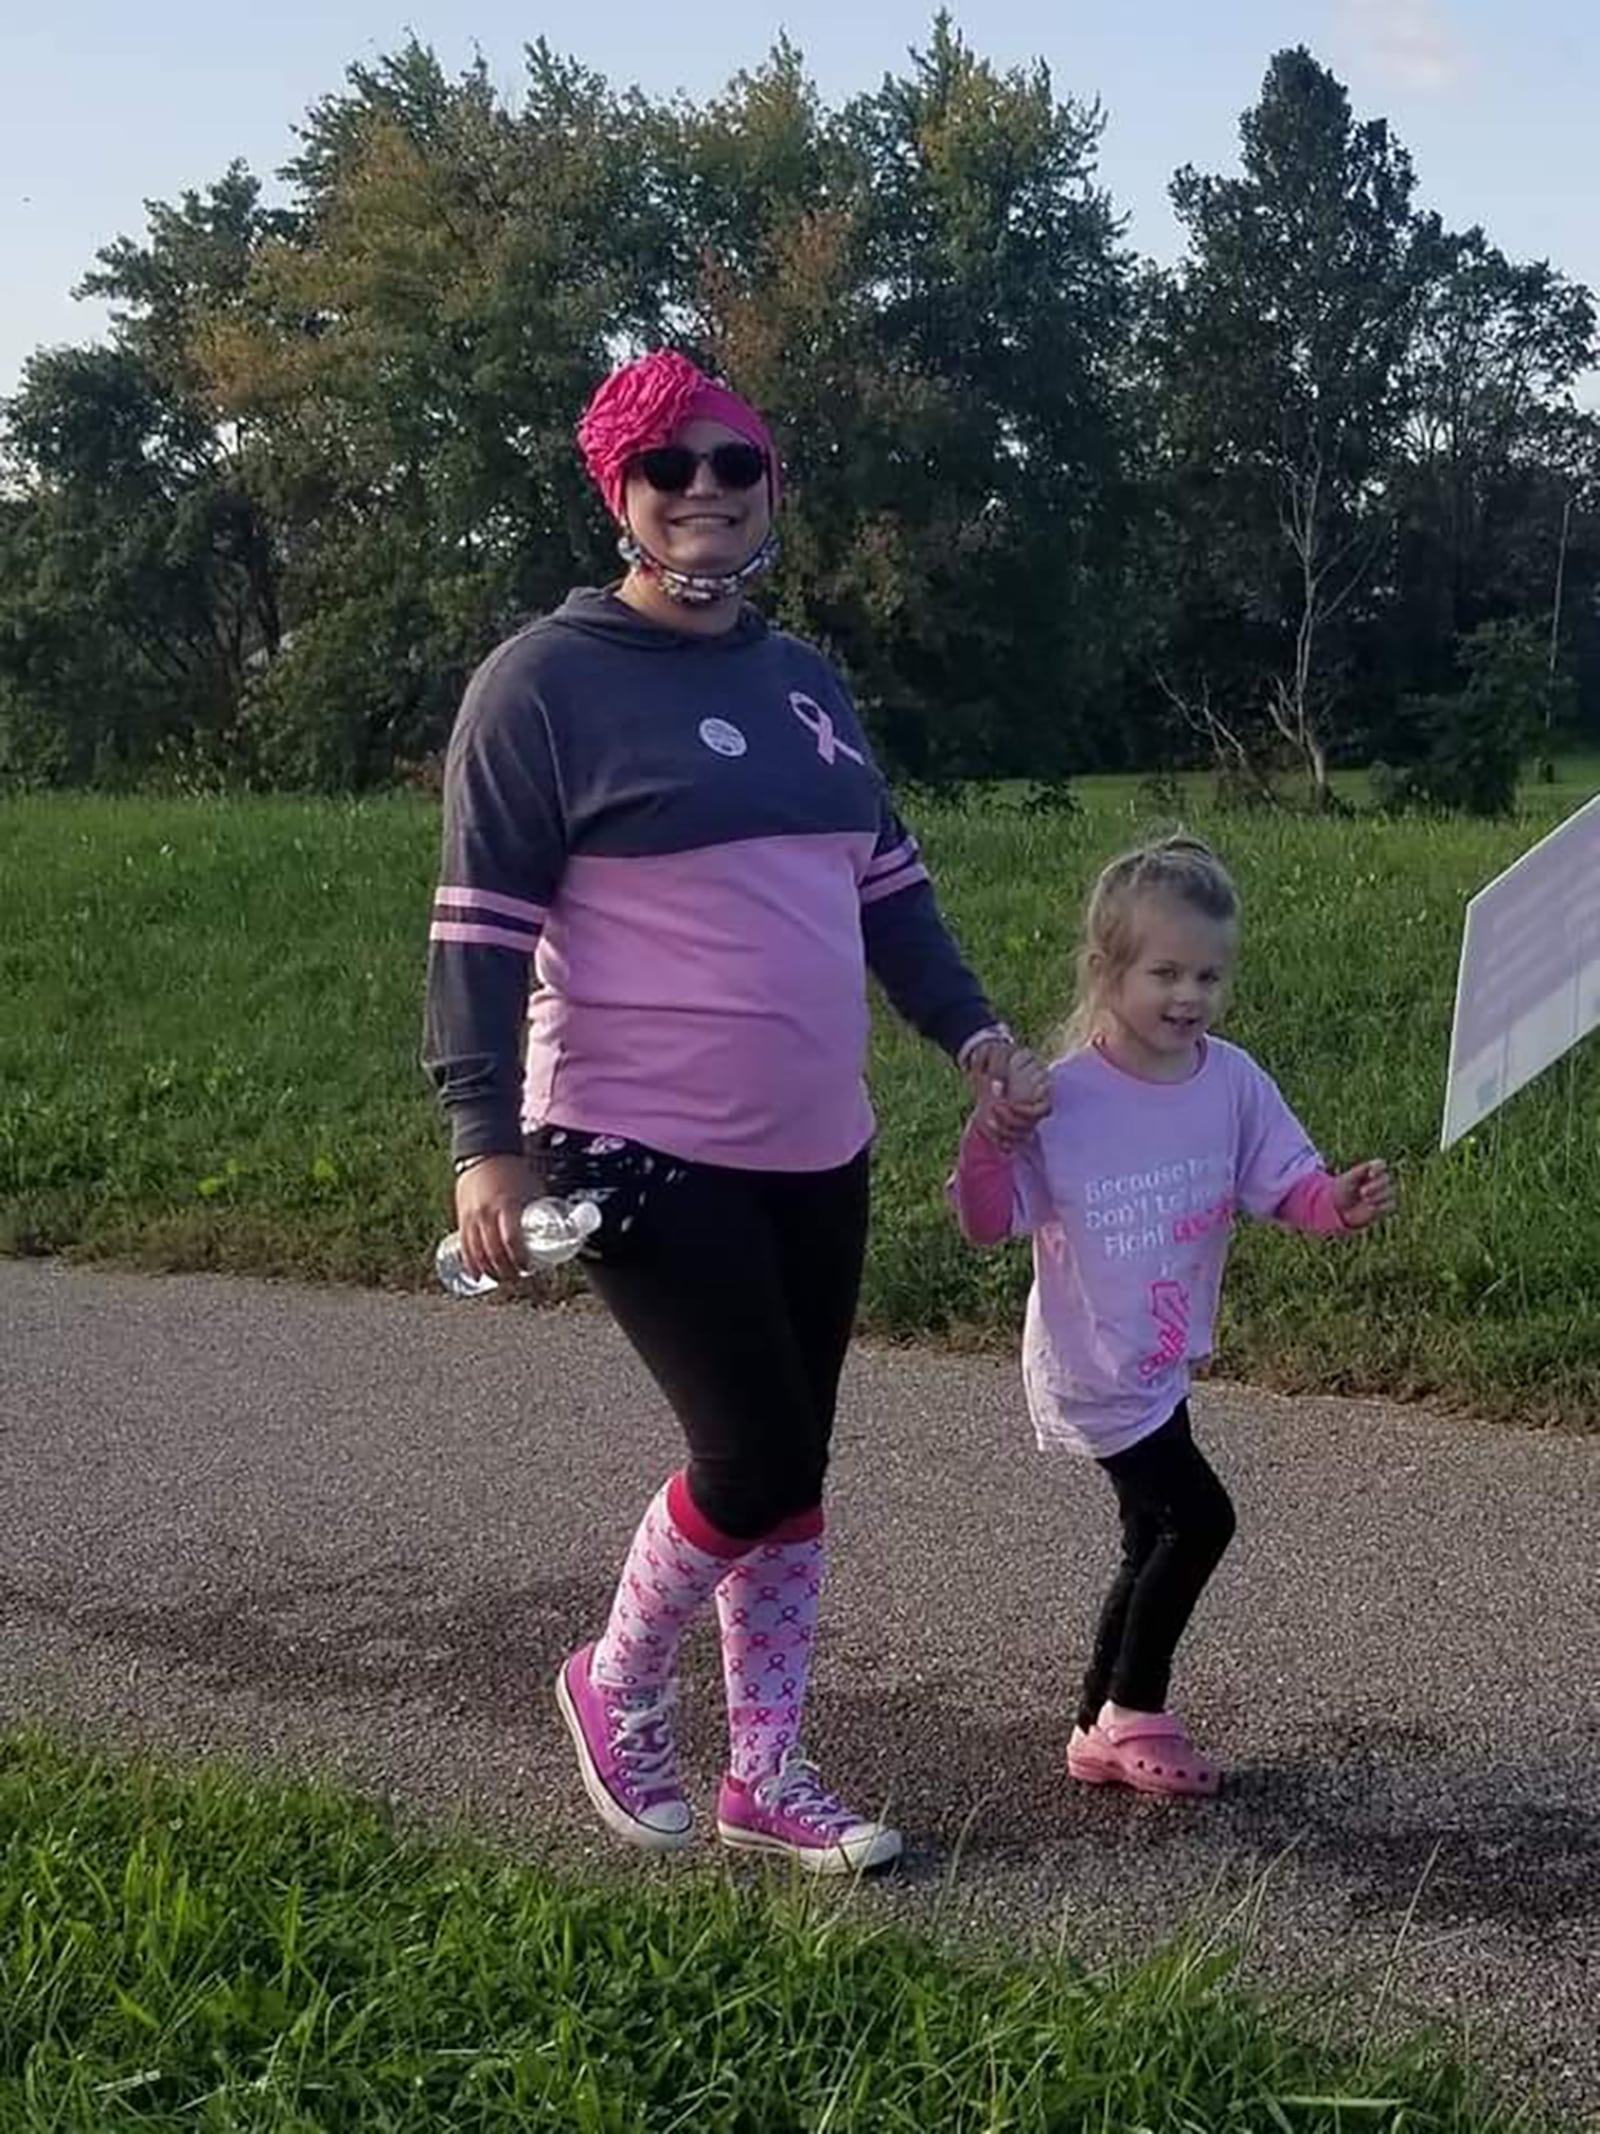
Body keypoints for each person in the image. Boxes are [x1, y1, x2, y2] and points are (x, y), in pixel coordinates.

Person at [423, 347, 1046, 1871]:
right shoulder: (543, 685)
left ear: (772, 489)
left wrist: (969, 1032)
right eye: (670, 466)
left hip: (814, 1144)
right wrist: (482, 1140)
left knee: (796, 1472)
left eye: (735, 465)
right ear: (620, 494)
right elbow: (477, 931)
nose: (705, 488)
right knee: (751, 1453)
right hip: (632, 1140)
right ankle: (611, 1681)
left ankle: (767, 1770)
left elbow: (890, 891)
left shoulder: (803, 682)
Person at [950, 833, 1393, 1797]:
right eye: (1164, 972)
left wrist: (1337, 1202)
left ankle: (1092, 1727)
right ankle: (1136, 1709)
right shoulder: (1064, 1101)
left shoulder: (1228, 1079)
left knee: (1151, 1535)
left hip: (1158, 1361)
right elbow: (988, 1222)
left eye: (1209, 974)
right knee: (1199, 1521)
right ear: (1106, 970)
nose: (1188, 995)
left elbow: (1284, 1183)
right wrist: (990, 1135)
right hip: (1096, 1366)